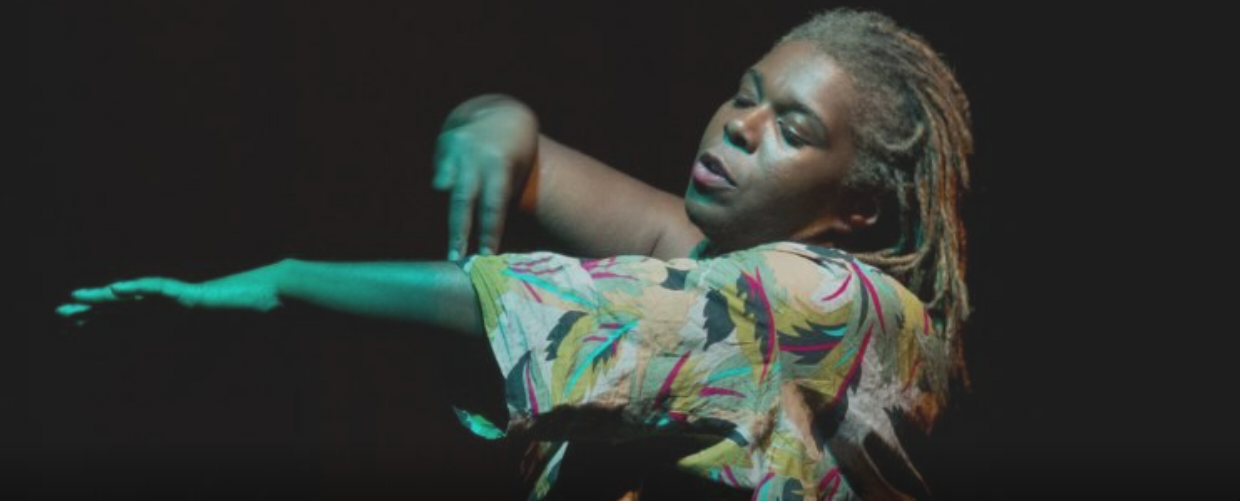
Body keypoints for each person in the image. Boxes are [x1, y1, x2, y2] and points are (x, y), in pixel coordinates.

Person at [57, 8, 972, 500]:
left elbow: (549, 308)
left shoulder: (827, 305)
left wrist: (283, 283)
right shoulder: (733, 265)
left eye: (791, 129)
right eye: (746, 93)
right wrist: (496, 118)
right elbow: (526, 158)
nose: (740, 124)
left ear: (857, 206)